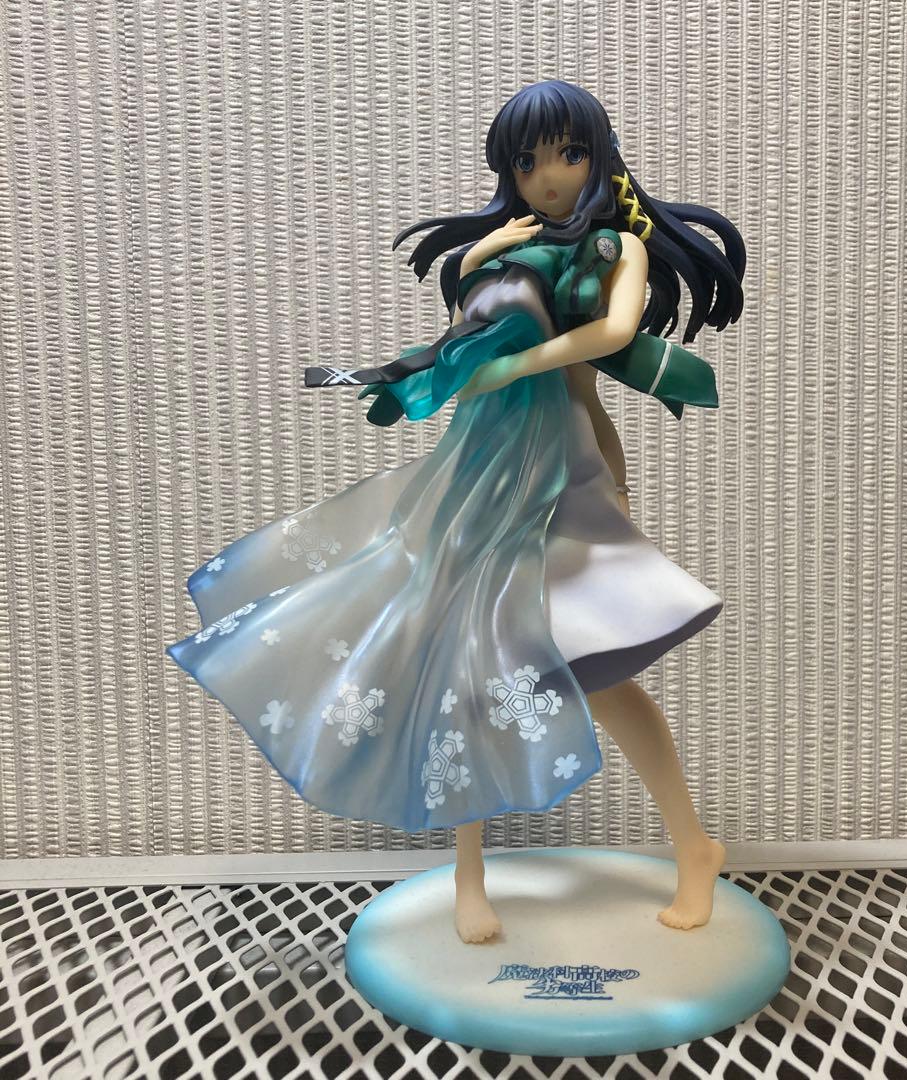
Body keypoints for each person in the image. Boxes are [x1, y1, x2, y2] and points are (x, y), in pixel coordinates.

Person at [165, 79, 745, 944]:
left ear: (599, 156)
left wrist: (527, 372)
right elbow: (464, 329)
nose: (550, 176)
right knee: (459, 669)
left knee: (605, 674)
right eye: (529, 161)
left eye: (568, 154)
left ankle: (693, 844)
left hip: (563, 475)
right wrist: (478, 261)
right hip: (478, 472)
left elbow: (613, 339)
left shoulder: (617, 248)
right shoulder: (513, 248)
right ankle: (470, 875)